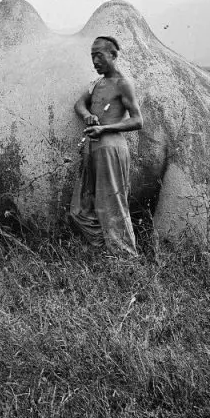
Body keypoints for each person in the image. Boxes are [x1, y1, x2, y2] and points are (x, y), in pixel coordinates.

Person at [70, 35, 143, 257]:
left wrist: (105, 129)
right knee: (79, 210)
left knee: (113, 204)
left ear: (113, 55)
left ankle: (126, 258)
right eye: (92, 56)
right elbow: (79, 104)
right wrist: (88, 115)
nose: (95, 61)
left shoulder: (123, 84)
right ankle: (105, 250)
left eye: (99, 55)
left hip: (111, 148)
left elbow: (138, 120)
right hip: (93, 146)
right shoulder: (97, 83)